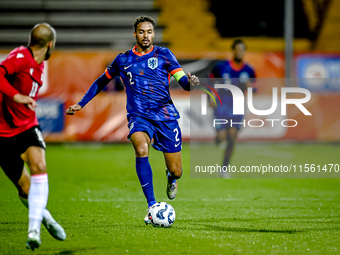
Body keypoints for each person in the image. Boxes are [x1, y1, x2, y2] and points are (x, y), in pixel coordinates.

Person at [66, 16, 199, 224]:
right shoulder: (123, 60)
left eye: (149, 32)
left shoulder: (165, 55)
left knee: (177, 170)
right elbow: (101, 81)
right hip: (139, 116)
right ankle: (152, 205)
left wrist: (191, 83)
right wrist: (82, 103)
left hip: (165, 117)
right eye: (141, 31)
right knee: (140, 148)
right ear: (135, 34)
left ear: (153, 34)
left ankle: (171, 178)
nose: (145, 35)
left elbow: (183, 81)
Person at [0, 23, 66, 251]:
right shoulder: (20, 57)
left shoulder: (38, 64)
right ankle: (46, 218)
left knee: (39, 164)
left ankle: (33, 230)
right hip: (3, 133)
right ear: (50, 44)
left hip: (27, 126)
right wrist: (16, 96)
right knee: (25, 190)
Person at [210, 39, 256, 178]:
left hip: (237, 106)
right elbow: (211, 81)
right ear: (233, 51)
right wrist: (210, 97)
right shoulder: (222, 67)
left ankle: (224, 168)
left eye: (242, 50)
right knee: (222, 137)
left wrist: (251, 87)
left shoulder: (249, 70)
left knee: (232, 137)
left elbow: (255, 88)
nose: (240, 52)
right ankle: (218, 138)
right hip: (222, 105)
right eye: (237, 50)